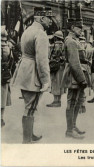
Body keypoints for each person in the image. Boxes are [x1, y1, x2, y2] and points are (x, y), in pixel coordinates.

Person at [12, 7, 53, 143]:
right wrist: (46, 81)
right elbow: (42, 60)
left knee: (28, 105)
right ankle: (27, 139)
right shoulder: (40, 34)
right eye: (49, 18)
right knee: (31, 107)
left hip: (24, 71)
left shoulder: (28, 30)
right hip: (33, 74)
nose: (51, 22)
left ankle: (29, 135)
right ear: (42, 18)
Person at [61, 18, 88, 139]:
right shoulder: (70, 41)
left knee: (77, 101)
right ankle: (69, 130)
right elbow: (74, 62)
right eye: (79, 28)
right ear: (72, 28)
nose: (81, 30)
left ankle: (73, 125)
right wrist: (81, 79)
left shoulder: (74, 40)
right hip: (74, 75)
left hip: (77, 73)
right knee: (71, 102)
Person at [46, 30, 66, 107]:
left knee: (54, 82)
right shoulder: (64, 45)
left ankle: (55, 101)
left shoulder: (53, 46)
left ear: (56, 37)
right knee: (60, 83)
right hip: (61, 66)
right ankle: (59, 100)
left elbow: (50, 56)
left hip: (55, 66)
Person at [1, 27, 13, 128]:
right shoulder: (8, 47)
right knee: (3, 96)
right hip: (4, 74)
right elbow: (12, 61)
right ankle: (1, 118)